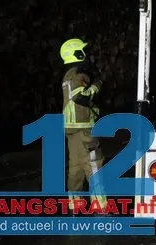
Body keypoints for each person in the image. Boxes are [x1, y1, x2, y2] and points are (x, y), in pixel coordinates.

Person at [60, 38, 107, 210]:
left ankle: (75, 205)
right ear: (77, 54)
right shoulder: (78, 74)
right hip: (84, 128)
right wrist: (97, 85)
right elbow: (82, 97)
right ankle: (100, 207)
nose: (86, 55)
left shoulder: (68, 74)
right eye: (83, 51)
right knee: (94, 164)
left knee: (76, 168)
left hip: (72, 129)